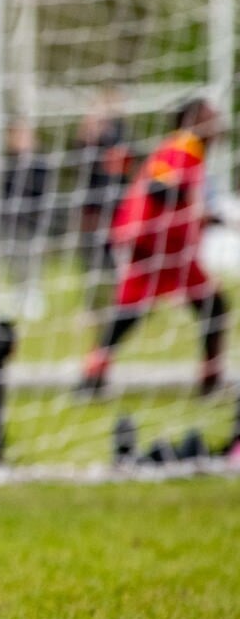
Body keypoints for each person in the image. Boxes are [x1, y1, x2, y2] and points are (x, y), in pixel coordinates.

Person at [80, 98, 230, 398]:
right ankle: (92, 376)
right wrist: (194, 206)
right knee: (139, 310)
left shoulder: (190, 153)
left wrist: (209, 216)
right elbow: (159, 187)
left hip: (170, 247)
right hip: (153, 244)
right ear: (194, 120)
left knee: (208, 305)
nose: (217, 125)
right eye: (211, 117)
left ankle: (93, 376)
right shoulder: (181, 147)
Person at [73, 88, 132, 316]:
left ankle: (117, 303)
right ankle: (94, 305)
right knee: (91, 256)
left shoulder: (119, 135)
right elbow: (80, 159)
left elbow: (122, 168)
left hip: (114, 206)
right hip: (92, 206)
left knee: (112, 256)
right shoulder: (89, 138)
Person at [0, 117, 52, 319]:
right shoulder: (7, 162)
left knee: (32, 260)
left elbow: (43, 192)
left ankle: (33, 296)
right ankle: (17, 294)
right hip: (12, 221)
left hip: (33, 220)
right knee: (15, 260)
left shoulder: (40, 163)